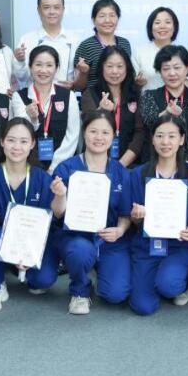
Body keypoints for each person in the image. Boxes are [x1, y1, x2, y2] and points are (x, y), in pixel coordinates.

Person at [0, 118, 62, 312]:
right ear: (2, 142)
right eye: (11, 140)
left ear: (32, 144)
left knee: (43, 280)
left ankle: (27, 273)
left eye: (24, 141)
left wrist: (27, 253)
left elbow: (51, 219)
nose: (17, 147)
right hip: (0, 243)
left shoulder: (42, 177)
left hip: (33, 244)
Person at [53, 111, 133, 315]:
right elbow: (58, 213)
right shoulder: (66, 168)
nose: (99, 137)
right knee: (79, 251)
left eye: (105, 132)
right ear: (84, 133)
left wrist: (120, 230)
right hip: (76, 237)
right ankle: (80, 290)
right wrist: (61, 195)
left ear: (113, 136)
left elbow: (125, 214)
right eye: (93, 131)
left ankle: (100, 268)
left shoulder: (121, 172)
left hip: (110, 240)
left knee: (116, 294)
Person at [128, 115, 188, 315]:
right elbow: (133, 220)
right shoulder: (138, 174)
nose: (165, 142)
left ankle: (179, 282)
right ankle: (156, 278)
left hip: (180, 245)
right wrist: (136, 217)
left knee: (169, 286)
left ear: (182, 139)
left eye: (171, 136)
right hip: (147, 245)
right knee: (143, 307)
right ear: (152, 140)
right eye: (160, 136)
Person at [11, 45, 80, 172]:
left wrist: (54, 167)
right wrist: (32, 119)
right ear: (30, 67)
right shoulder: (19, 97)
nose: (43, 70)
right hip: (28, 166)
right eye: (38, 65)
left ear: (56, 68)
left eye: (49, 65)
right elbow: (20, 135)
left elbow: (72, 136)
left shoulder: (68, 96)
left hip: (62, 167)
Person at [140, 45, 188, 166]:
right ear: (160, 72)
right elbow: (149, 125)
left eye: (177, 67)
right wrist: (165, 113)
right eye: (166, 68)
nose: (172, 73)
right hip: (155, 165)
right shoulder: (149, 96)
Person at [79, 46, 146, 167]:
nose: (115, 71)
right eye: (109, 66)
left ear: (127, 68)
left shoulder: (136, 94)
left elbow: (139, 133)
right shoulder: (90, 93)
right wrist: (101, 111)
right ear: (102, 68)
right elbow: (88, 129)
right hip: (95, 164)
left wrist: (120, 165)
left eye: (120, 66)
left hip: (129, 165)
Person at [12, 0, 80, 88]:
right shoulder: (27, 39)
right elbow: (22, 77)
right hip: (35, 95)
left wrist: (74, 85)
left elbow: (79, 75)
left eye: (56, 7)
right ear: (39, 10)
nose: (52, 12)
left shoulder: (75, 39)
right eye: (46, 7)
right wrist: (20, 61)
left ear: (63, 10)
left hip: (66, 94)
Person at [72, 0, 132, 91]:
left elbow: (128, 77)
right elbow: (78, 87)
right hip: (93, 98)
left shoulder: (125, 43)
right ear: (93, 20)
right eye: (102, 16)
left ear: (118, 18)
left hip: (123, 97)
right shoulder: (86, 46)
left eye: (112, 15)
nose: (107, 20)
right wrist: (84, 72)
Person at [132, 6, 180, 93]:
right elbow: (131, 85)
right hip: (147, 100)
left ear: (174, 27)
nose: (162, 26)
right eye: (157, 23)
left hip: (176, 101)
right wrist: (138, 83)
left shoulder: (181, 52)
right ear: (150, 27)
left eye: (167, 22)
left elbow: (187, 84)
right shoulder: (139, 51)